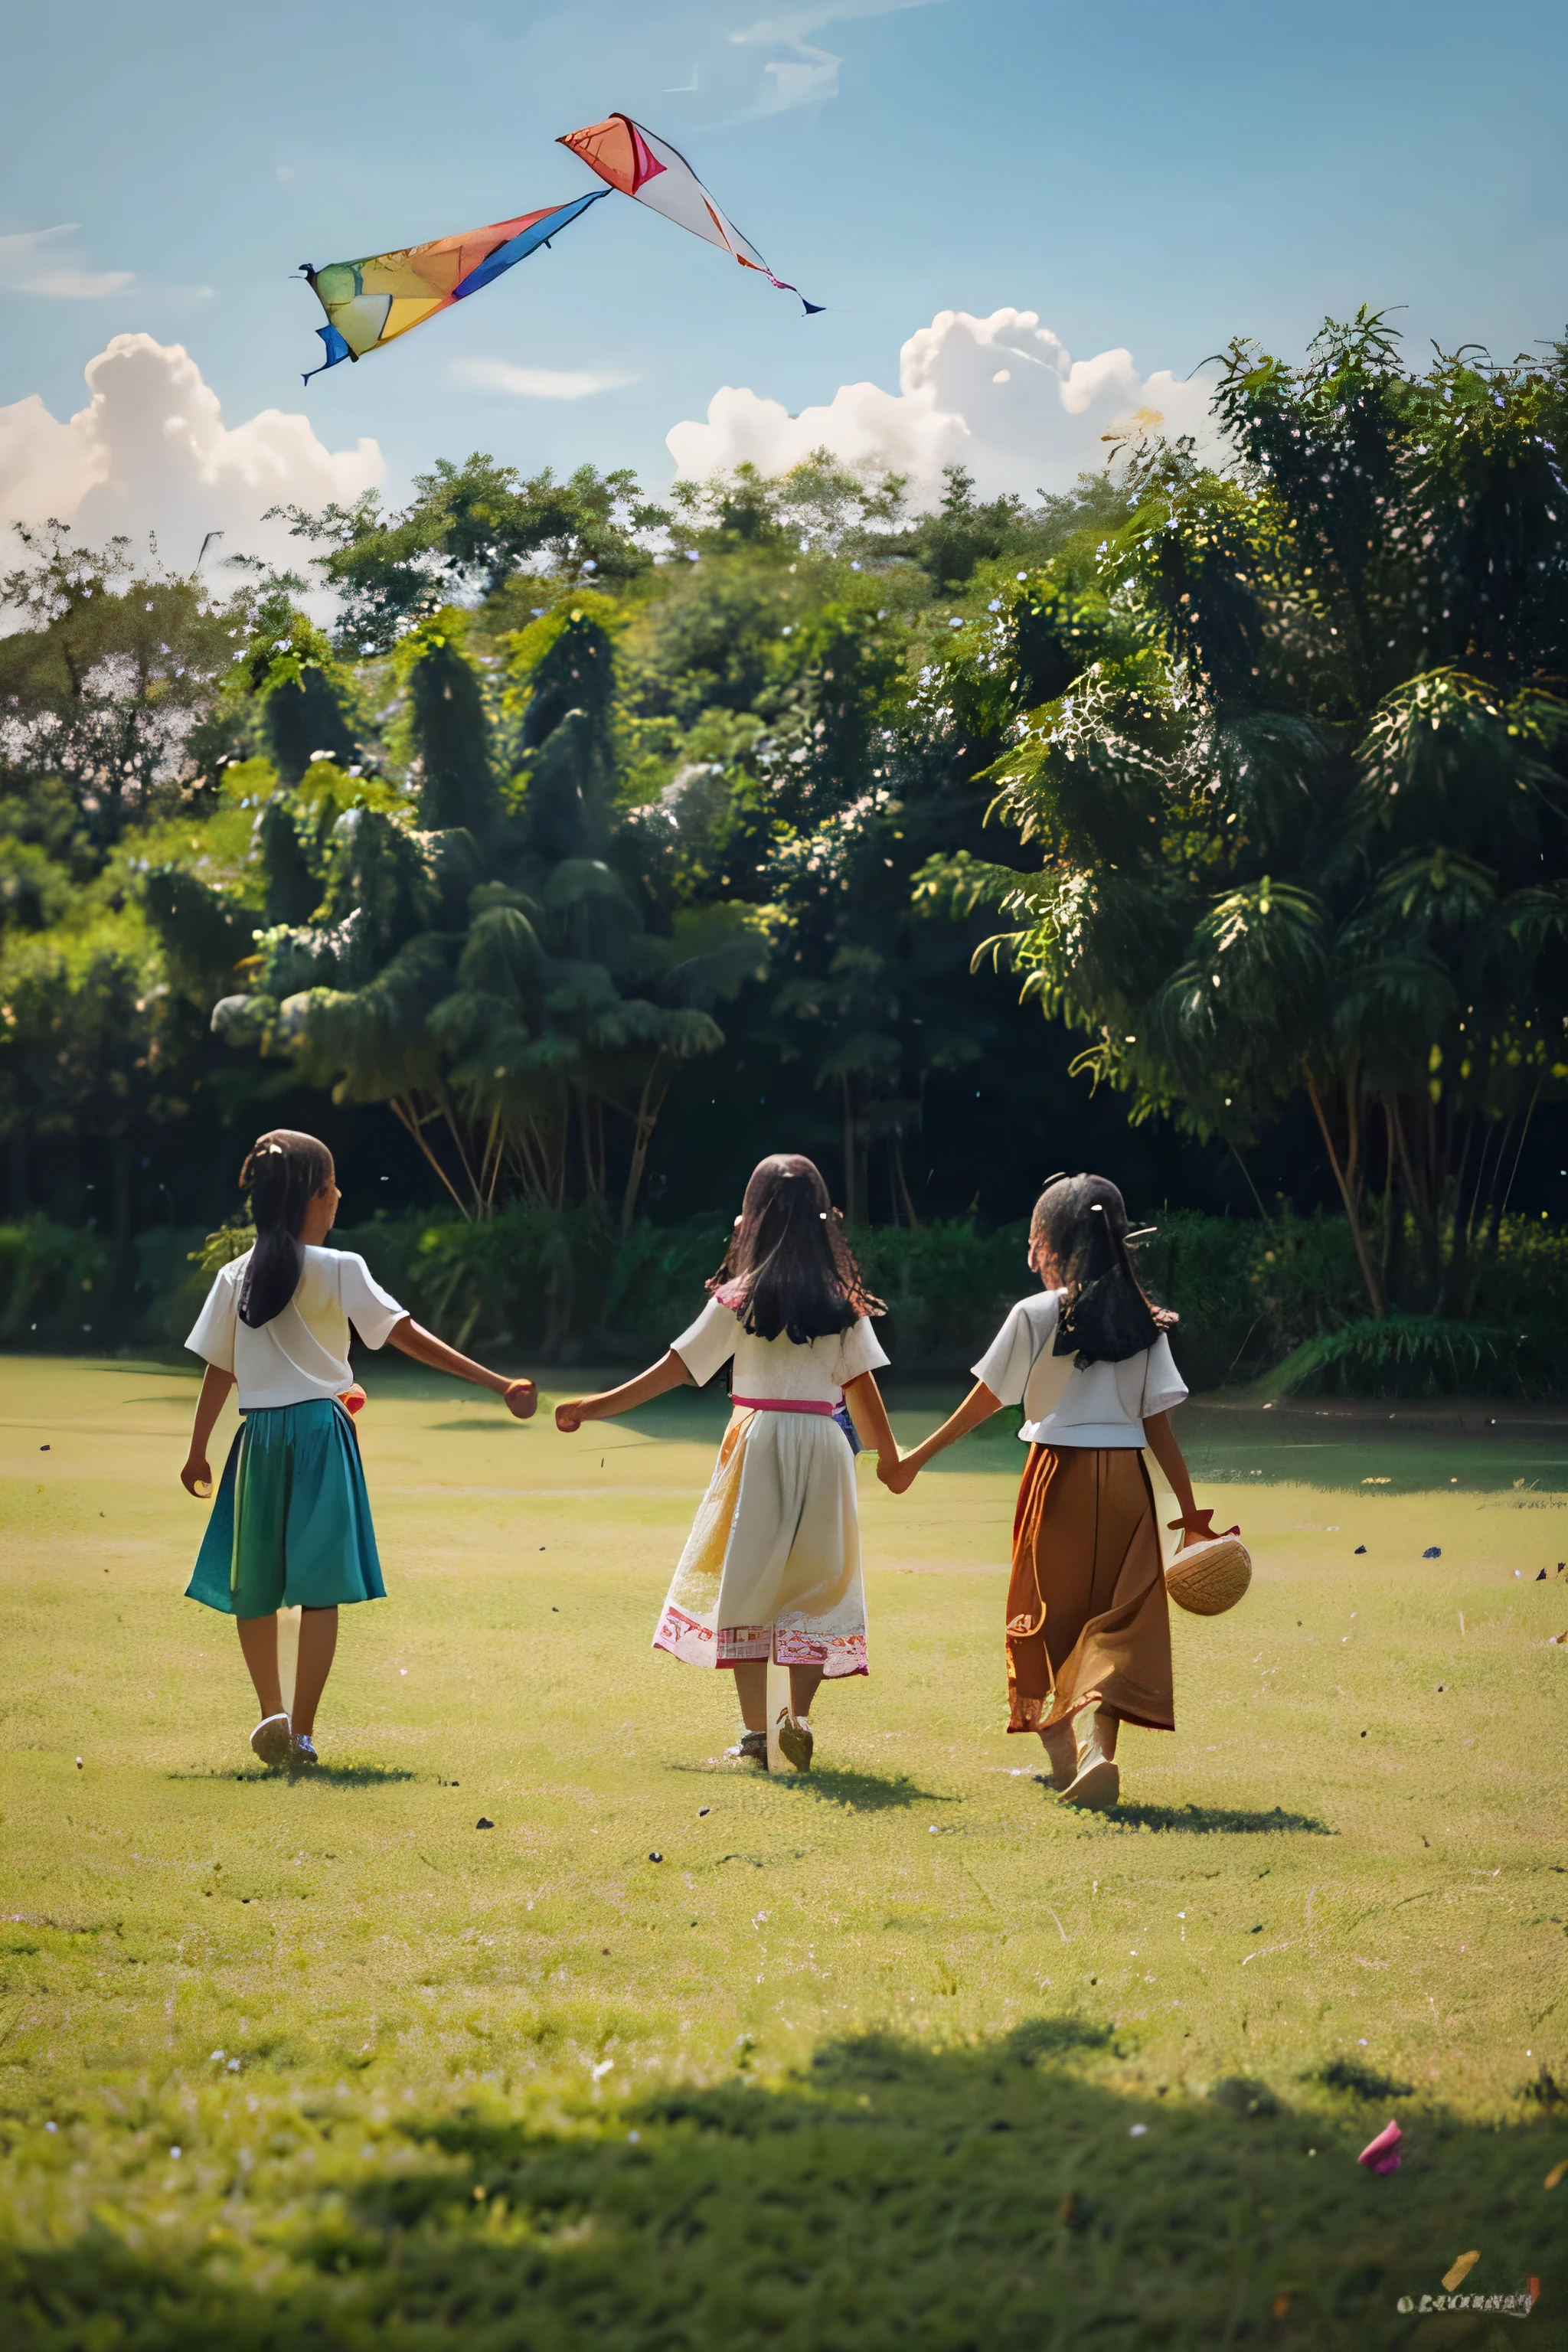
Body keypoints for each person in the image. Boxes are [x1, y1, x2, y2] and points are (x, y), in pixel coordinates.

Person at [181, 1130, 537, 1769]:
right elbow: (409, 1337)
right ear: (314, 1198)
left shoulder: (236, 1274)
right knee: (320, 1589)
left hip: (258, 1439)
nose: (339, 1194)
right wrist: (497, 1382)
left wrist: (197, 1449)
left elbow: (220, 1369)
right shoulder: (341, 1268)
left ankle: (272, 1715)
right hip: (321, 1433)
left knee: (254, 1583)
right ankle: (305, 1734)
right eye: (333, 1185)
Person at [880, 1173, 1226, 1810]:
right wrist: (1189, 1509)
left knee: (1046, 1624)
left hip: (1058, 1477)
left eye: (1035, 1241)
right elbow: (1157, 1426)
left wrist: (914, 1460)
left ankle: (1067, 1763)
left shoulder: (1035, 1315)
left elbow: (986, 1401)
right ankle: (1100, 1757)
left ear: (1052, 1241)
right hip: (1126, 1485)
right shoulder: (1144, 1322)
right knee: (1112, 1624)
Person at [554, 1153, 899, 1772]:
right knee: (816, 1586)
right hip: (824, 1447)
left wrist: (592, 1406)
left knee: (748, 1586)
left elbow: (675, 1371)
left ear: (753, 1220)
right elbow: (869, 1417)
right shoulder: (843, 1304)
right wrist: (893, 1459)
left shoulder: (738, 1298)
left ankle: (757, 1737)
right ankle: (799, 1717)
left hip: (757, 1441)